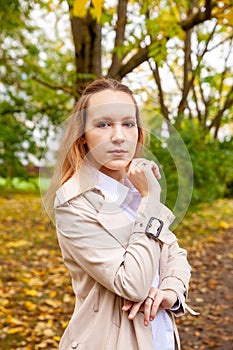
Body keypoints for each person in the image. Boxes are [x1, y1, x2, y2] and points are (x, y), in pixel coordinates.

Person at [45, 78, 191, 350]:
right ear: (83, 137)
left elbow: (175, 253)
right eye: (103, 124)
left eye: (128, 123)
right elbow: (132, 283)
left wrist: (171, 291)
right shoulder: (73, 202)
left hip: (160, 337)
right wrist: (151, 198)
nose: (119, 136)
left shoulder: (136, 191)